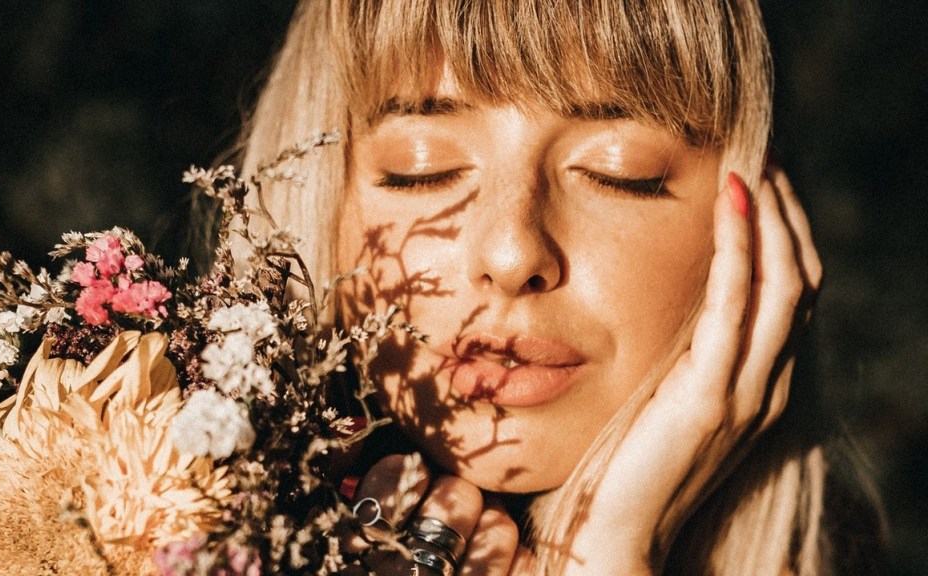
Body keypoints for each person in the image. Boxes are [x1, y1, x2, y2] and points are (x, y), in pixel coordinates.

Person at [231, 1, 886, 574]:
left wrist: (612, 554)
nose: (513, 253)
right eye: (423, 169)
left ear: (754, 218)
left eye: (619, 171)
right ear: (318, 194)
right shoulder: (144, 525)